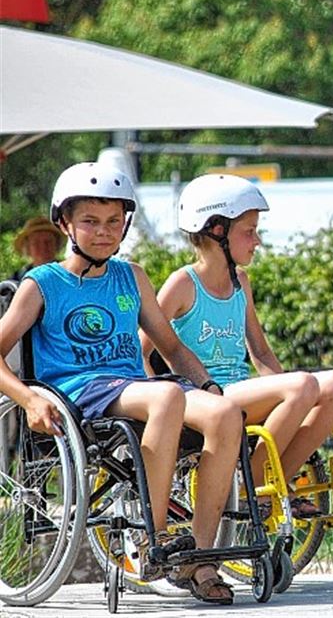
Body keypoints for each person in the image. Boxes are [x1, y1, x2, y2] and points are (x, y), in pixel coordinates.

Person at [0, 162, 240, 604]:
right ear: (65, 223)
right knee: (166, 394)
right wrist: (27, 397)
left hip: (135, 389)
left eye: (114, 222)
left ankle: (201, 558)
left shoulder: (133, 277)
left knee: (225, 412)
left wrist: (206, 385)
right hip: (82, 392)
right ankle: (156, 537)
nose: (104, 232)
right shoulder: (43, 283)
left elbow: (171, 346)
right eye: (90, 221)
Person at [140, 174, 333, 519]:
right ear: (217, 231)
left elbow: (262, 353)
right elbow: (142, 349)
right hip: (207, 399)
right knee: (303, 385)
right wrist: (162, 405)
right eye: (249, 231)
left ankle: (276, 477)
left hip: (241, 392)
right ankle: (248, 486)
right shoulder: (182, 283)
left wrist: (296, 396)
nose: (257, 240)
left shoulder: (241, 282)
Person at [9, 216, 66, 281]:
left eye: (48, 242)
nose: (43, 247)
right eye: (36, 243)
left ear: (57, 244)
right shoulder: (17, 279)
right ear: (28, 248)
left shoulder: (69, 272)